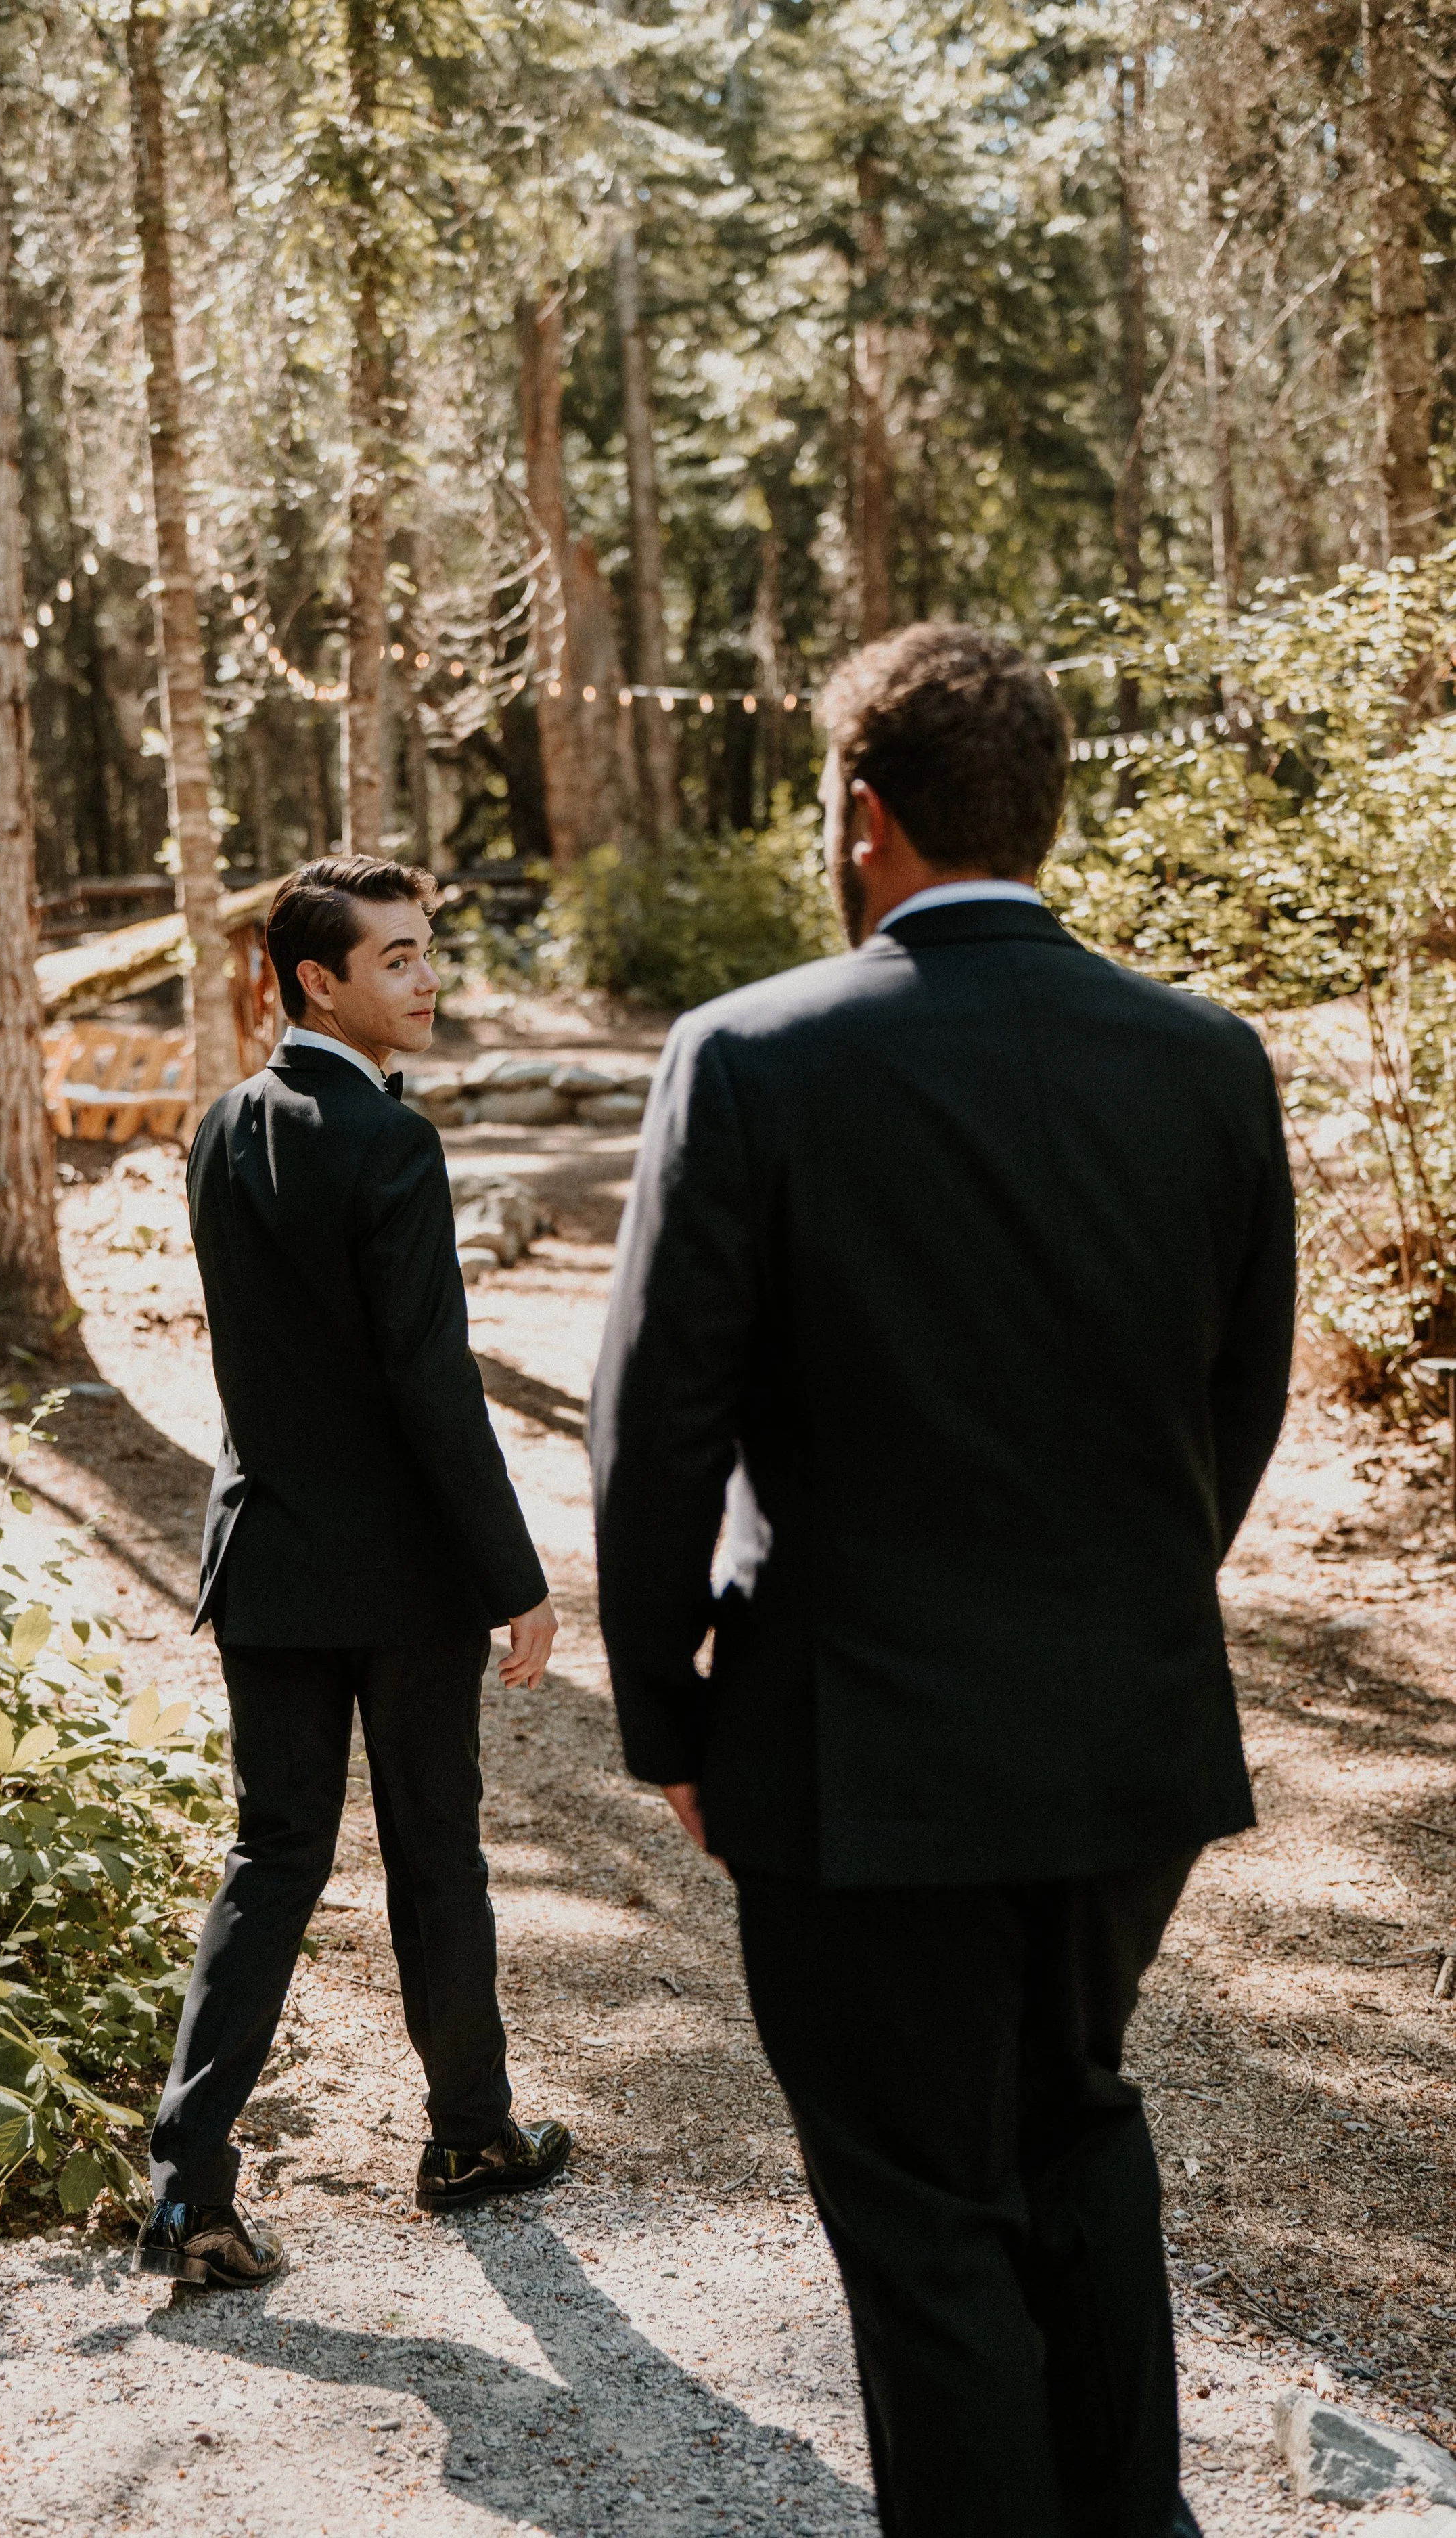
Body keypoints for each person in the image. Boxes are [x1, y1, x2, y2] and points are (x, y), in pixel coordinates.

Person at [590, 625, 1294, 2537]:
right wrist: (1118, 1604)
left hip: (852, 1742)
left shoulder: (747, 1055)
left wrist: (668, 1709)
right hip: (1119, 1732)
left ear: (860, 813)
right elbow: (1237, 1402)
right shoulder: (1208, 1060)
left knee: (920, 2215)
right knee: (1072, 2122)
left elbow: (656, 1424)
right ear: (1040, 813)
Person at [135, 854, 571, 2290]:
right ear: (315, 980)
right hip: (398, 1578)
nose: (427, 976)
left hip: (264, 1560)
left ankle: (189, 2187)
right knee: (435, 1850)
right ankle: (467, 2136)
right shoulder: (392, 1143)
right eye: (397, 958)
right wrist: (516, 1574)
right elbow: (428, 1385)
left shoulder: (215, 1131)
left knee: (271, 1861)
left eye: (426, 951)